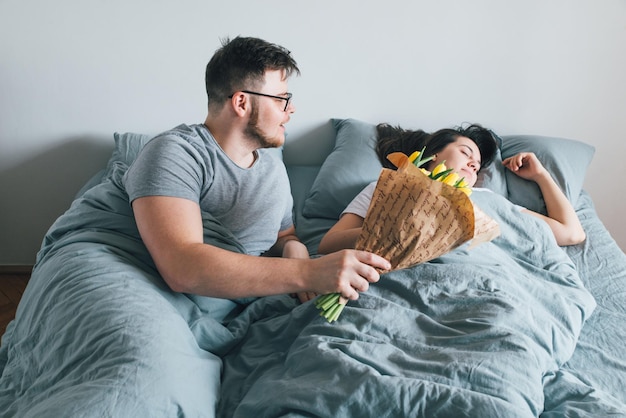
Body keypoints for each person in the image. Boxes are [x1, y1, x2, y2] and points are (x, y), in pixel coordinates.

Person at [125, 36, 390, 305]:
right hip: (159, 296)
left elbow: (283, 235)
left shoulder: (272, 168)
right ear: (241, 103)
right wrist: (308, 272)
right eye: (281, 100)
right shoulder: (176, 153)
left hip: (241, 304)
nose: (291, 109)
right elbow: (181, 267)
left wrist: (294, 249)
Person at [318, 123, 586, 254]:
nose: (473, 164)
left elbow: (572, 233)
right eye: (465, 152)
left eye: (478, 165)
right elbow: (328, 244)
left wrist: (541, 175)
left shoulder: (487, 199)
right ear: (433, 154)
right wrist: (399, 226)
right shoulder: (391, 185)